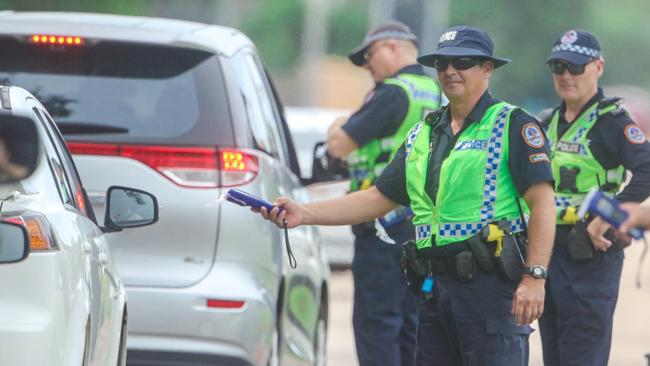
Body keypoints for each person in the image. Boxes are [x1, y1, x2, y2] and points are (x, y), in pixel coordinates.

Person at [259, 25, 556, 365]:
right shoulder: (424, 133)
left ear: (487, 68)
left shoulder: (512, 124)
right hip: (434, 290)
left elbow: (542, 203)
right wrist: (305, 213)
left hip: (488, 292)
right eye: (442, 63)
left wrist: (535, 277)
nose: (449, 71)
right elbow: (377, 198)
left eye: (462, 62)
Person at [323, 20, 445, 366]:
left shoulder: (393, 92)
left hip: (381, 227)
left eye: (368, 55)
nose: (366, 66)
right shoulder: (439, 93)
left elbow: (340, 143)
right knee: (413, 324)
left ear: (392, 47)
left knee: (377, 324)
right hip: (423, 227)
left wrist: (337, 124)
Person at [538, 29, 650, 366]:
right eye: (559, 67)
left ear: (598, 66)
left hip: (589, 254)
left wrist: (613, 214)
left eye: (576, 67)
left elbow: (646, 168)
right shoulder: (547, 122)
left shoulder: (612, 122)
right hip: (547, 252)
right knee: (553, 355)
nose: (566, 76)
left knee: (582, 356)